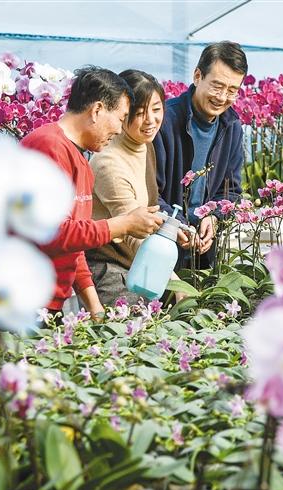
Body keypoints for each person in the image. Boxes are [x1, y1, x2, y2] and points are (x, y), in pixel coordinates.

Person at [21, 66, 163, 318]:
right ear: (97, 110)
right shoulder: (48, 146)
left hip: (48, 304)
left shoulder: (82, 163)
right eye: (121, 118)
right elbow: (52, 232)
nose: (120, 130)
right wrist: (125, 224)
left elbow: (74, 247)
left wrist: (95, 307)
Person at [86, 70, 191, 306]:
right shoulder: (108, 163)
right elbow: (134, 231)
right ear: (122, 114)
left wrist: (172, 227)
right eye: (139, 113)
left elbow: (148, 209)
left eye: (156, 109)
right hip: (109, 268)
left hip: (139, 262)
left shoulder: (144, 145)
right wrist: (173, 282)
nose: (151, 120)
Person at [154, 41, 247, 268]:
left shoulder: (232, 127)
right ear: (197, 76)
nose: (223, 97)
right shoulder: (164, 121)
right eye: (217, 86)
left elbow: (232, 192)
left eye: (232, 90)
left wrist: (213, 217)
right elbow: (148, 192)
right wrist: (178, 225)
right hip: (161, 241)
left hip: (205, 248)